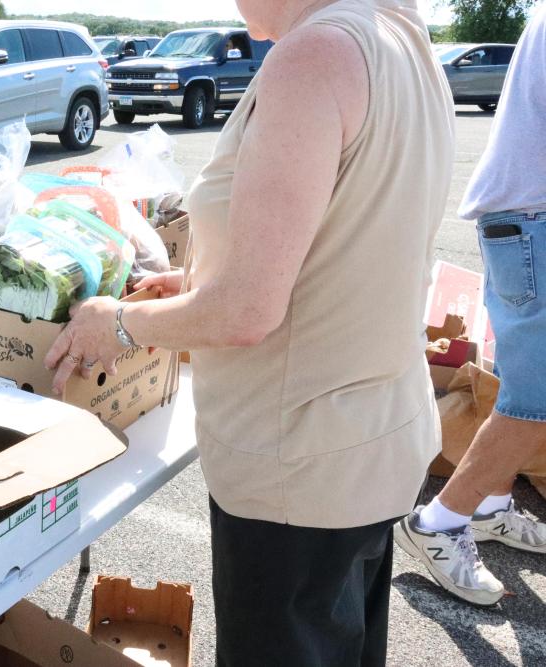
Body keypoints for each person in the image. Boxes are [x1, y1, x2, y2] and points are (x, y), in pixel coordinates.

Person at [46, 0, 453, 663]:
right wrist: (197, 285)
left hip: (299, 476)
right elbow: (352, 243)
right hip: (374, 447)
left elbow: (246, 312)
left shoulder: (313, 57)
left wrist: (116, 322)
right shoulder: (399, 35)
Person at [395, 5, 546, 606]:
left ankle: (487, 503)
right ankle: (437, 525)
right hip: (535, 220)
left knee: (521, 386)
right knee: (534, 402)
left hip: (526, 218)